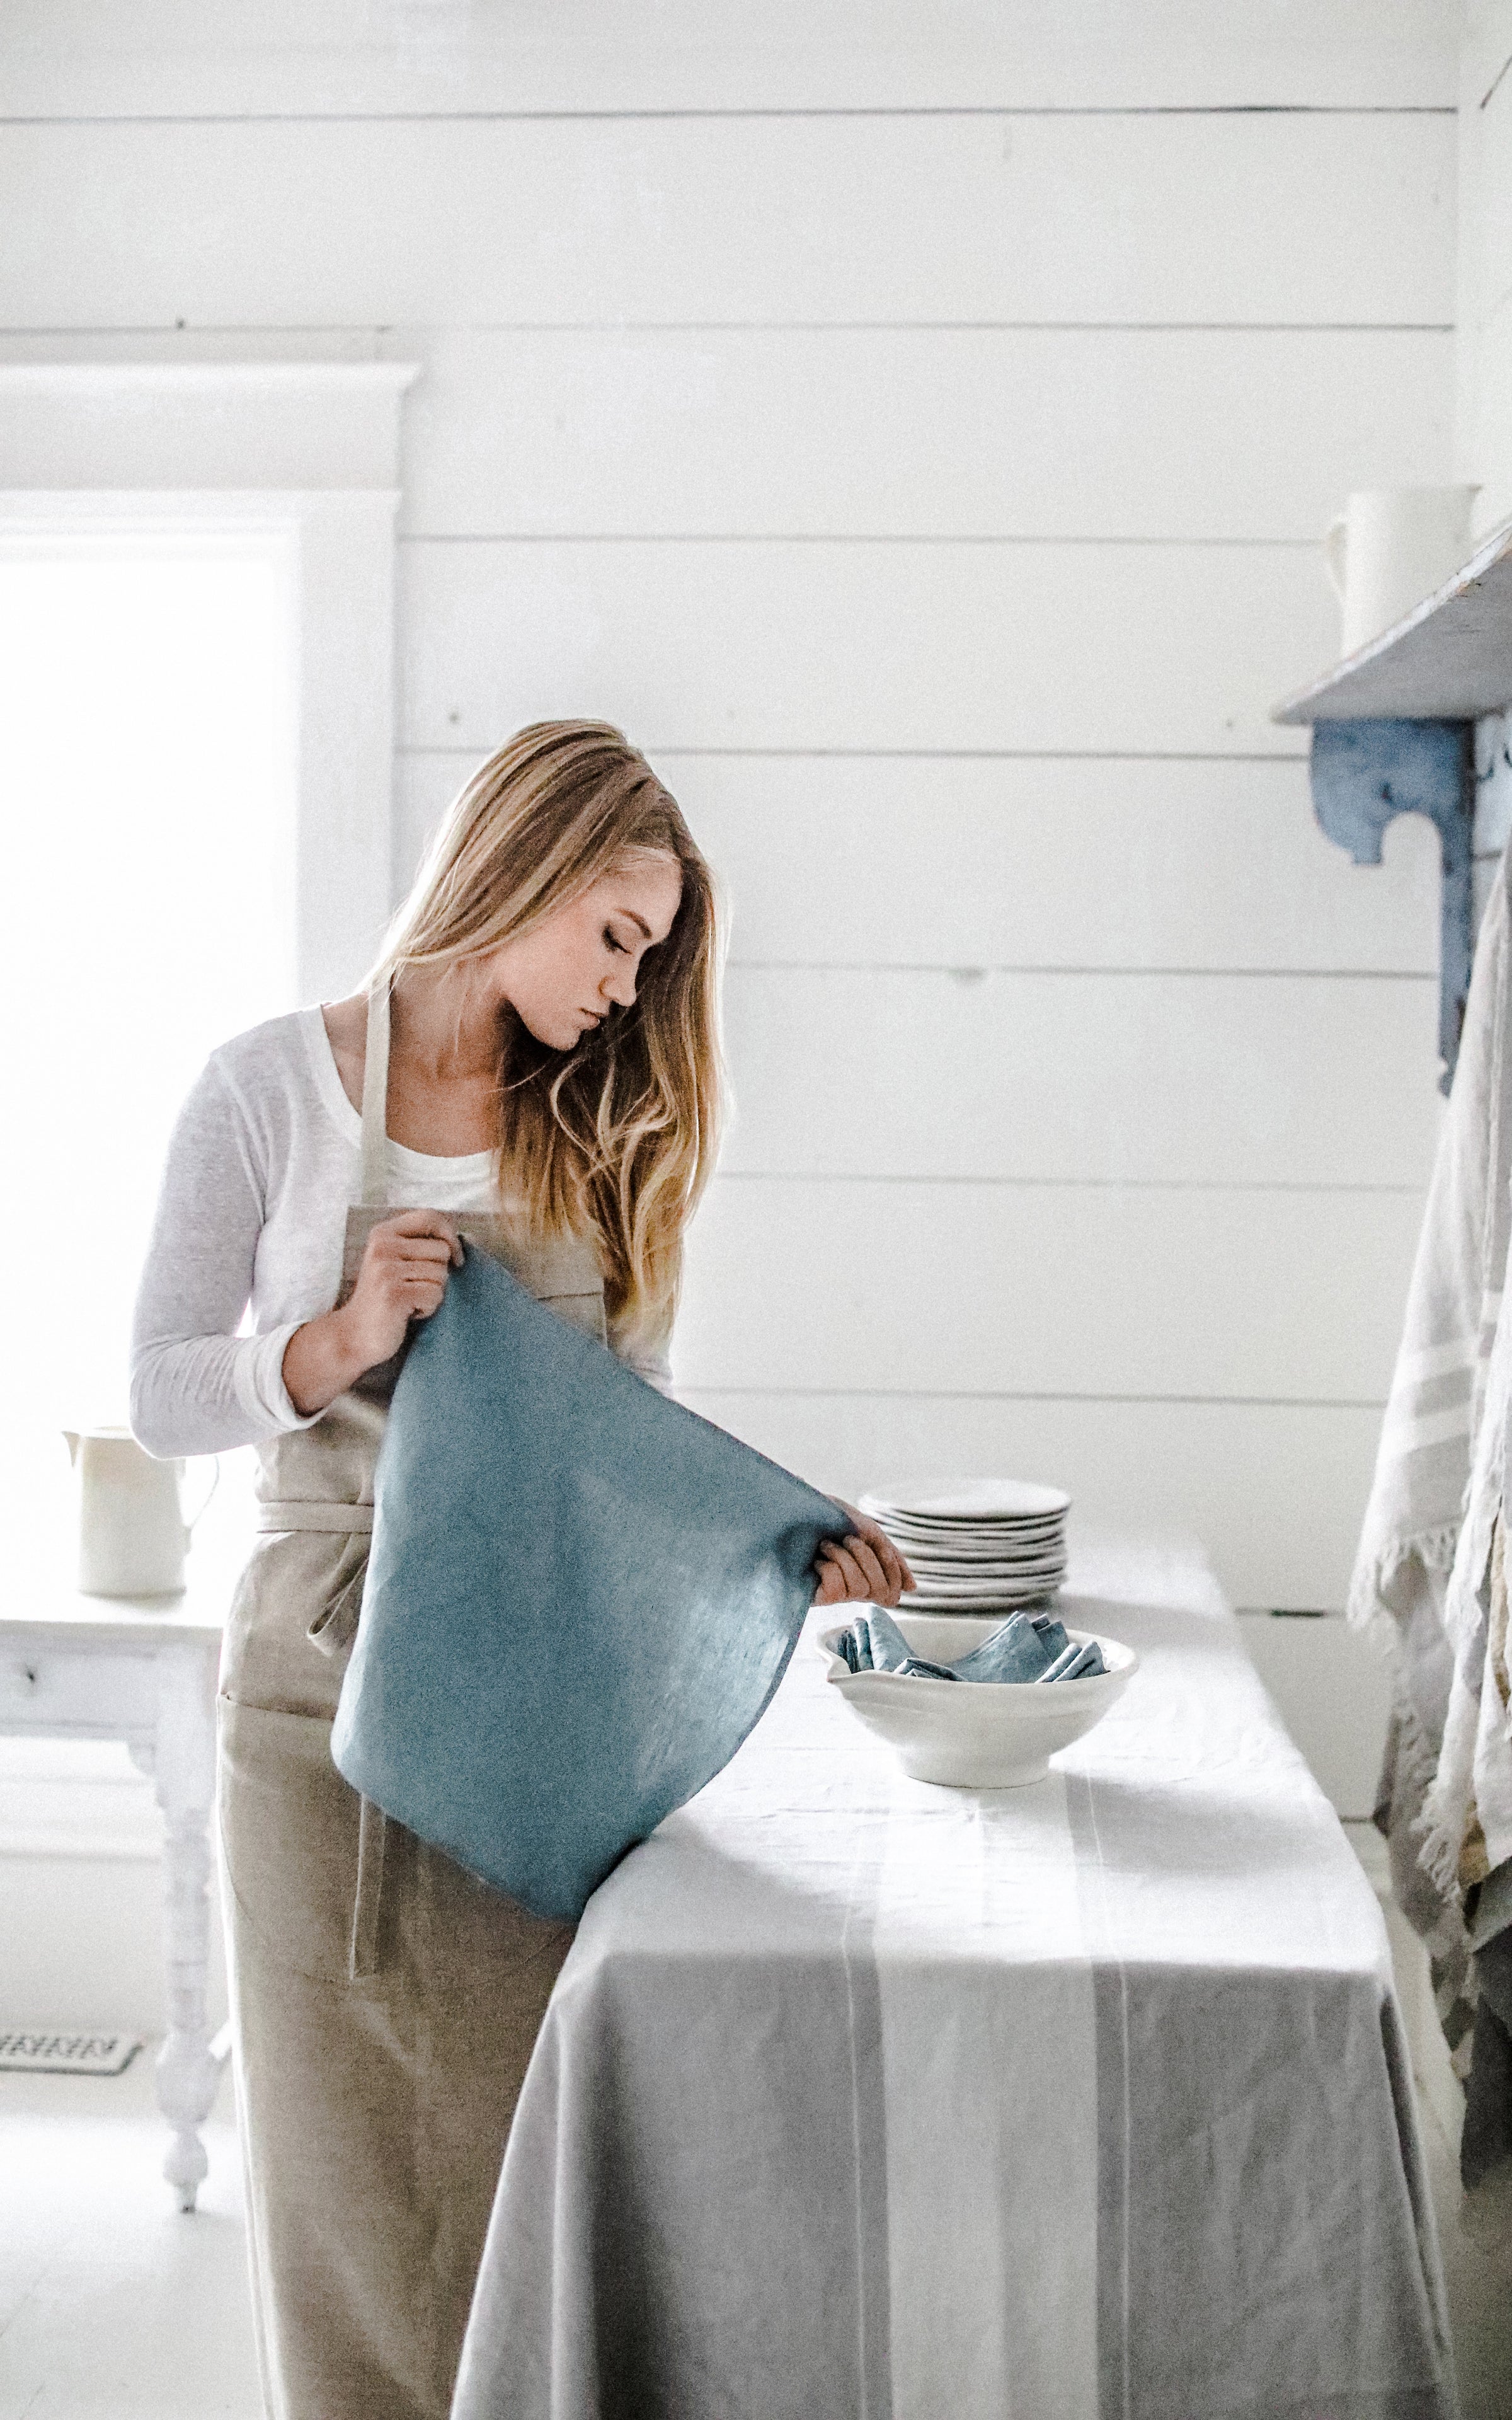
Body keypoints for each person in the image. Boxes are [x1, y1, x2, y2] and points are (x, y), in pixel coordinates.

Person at [129, 720, 912, 2420]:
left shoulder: (604, 1133)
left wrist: (789, 1560)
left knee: (525, 2177)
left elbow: (624, 1462)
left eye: (653, 960)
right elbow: (161, 1394)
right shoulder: (267, 1086)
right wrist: (337, 1338)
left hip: (534, 1700)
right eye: (617, 940)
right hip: (307, 1699)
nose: (629, 996)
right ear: (521, 869)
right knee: (341, 2199)